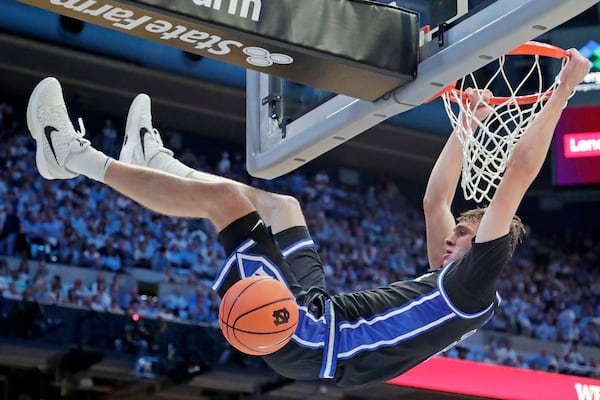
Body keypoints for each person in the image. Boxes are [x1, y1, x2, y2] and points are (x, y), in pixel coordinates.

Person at [25, 49, 589, 387]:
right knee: (282, 207)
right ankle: (160, 164)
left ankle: (71, 156)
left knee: (228, 208)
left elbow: (517, 174)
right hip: (325, 318)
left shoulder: (472, 284)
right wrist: (466, 123)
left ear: (488, 247)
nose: (452, 238)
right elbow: (435, 201)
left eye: (465, 235)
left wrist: (562, 90)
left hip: (317, 339)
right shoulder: (446, 278)